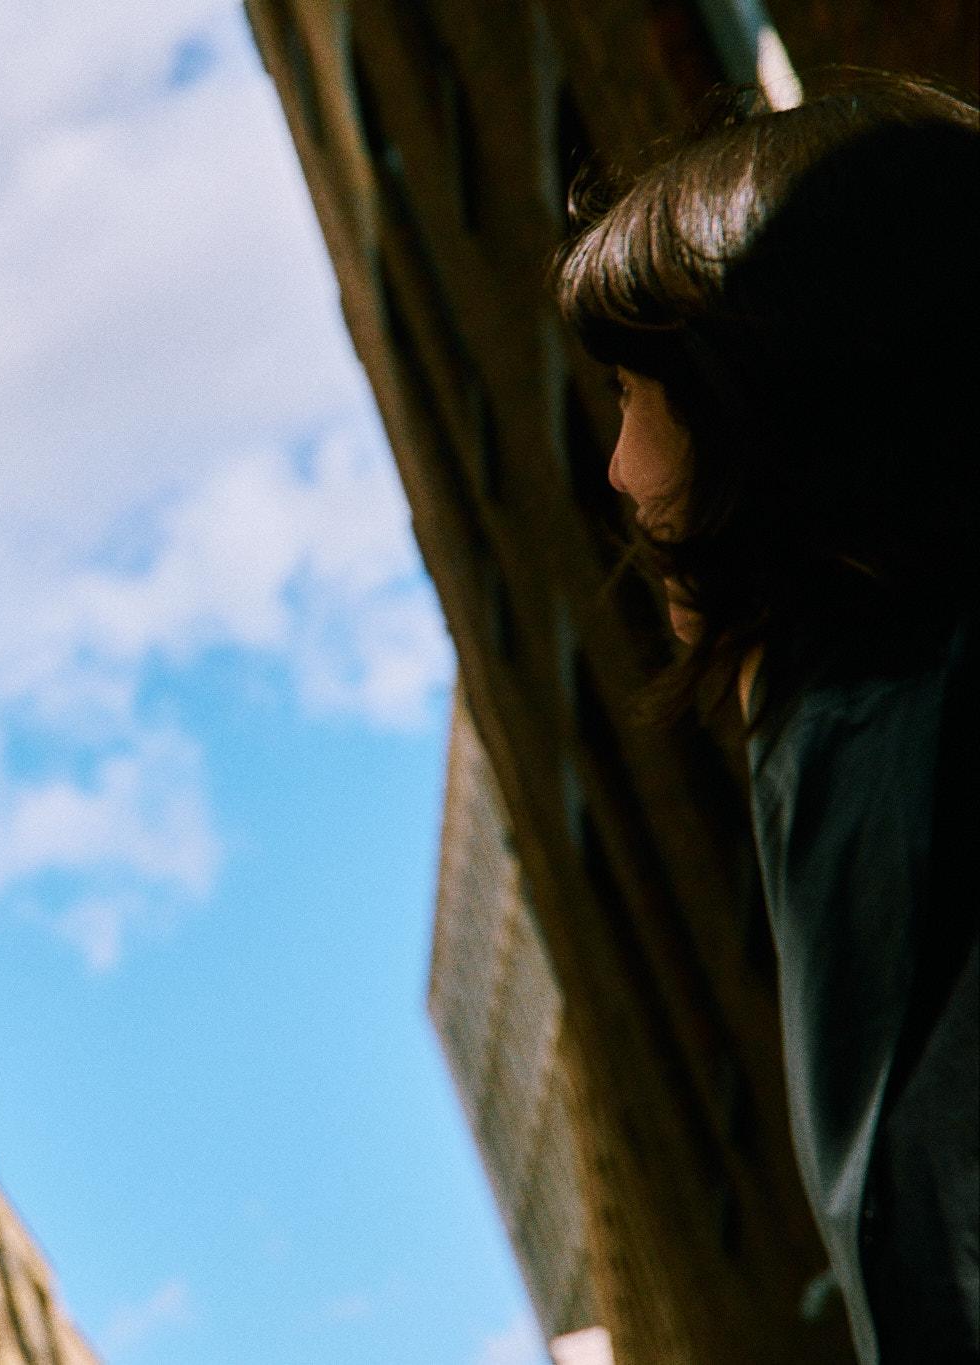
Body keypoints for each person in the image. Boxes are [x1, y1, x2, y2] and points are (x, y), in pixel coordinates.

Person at [556, 76, 979, 1362]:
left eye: (636, 396)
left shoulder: (894, 739)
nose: (622, 474)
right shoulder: (847, 735)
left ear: (771, 393)